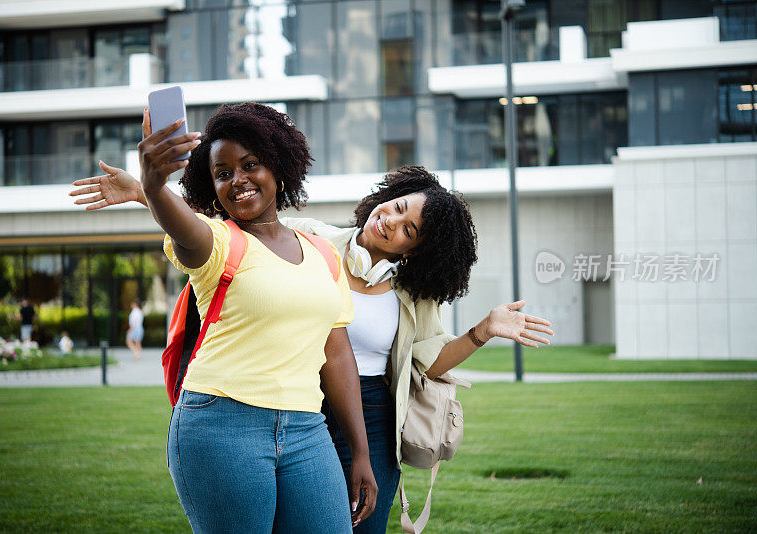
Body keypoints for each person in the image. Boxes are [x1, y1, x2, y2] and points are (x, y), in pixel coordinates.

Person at [71, 132, 554, 534]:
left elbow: (426, 362)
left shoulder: (414, 294)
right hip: (301, 399)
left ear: (416, 250)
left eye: (409, 229)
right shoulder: (315, 239)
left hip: (373, 410)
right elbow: (222, 226)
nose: (391, 221)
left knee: (361, 523)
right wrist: (146, 191)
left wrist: (482, 330)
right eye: (396, 206)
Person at [104, 102, 377, 533]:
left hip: (308, 429)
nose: (238, 180)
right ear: (210, 185)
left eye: (251, 164)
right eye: (223, 172)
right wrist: (153, 188)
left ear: (279, 167)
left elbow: (337, 354)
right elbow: (184, 229)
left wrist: (360, 453)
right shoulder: (216, 240)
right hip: (221, 425)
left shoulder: (324, 254)